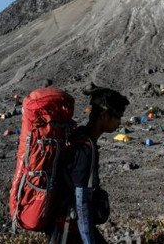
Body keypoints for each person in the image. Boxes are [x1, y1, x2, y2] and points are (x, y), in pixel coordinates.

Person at [49, 84, 130, 244]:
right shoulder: (86, 149)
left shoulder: (78, 136)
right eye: (118, 116)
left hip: (63, 226)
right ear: (104, 116)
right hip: (69, 231)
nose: (120, 122)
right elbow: (82, 203)